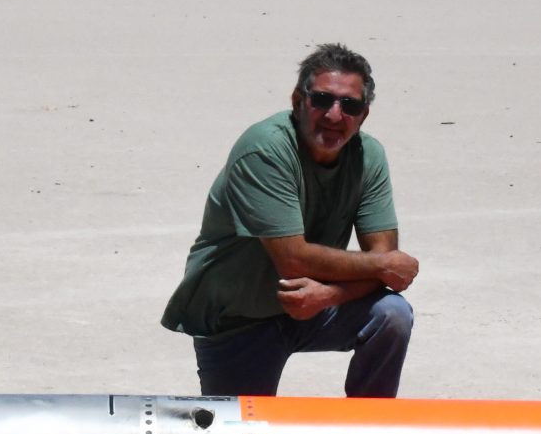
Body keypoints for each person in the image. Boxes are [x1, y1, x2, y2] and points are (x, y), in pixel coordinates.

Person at [161, 43, 418, 397]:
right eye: (323, 100)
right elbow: (294, 260)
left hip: (314, 302)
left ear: (363, 115)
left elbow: (384, 266)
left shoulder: (368, 156)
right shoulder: (264, 150)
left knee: (392, 315)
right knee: (244, 430)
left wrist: (330, 295)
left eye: (350, 106)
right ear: (298, 101)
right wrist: (383, 265)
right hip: (239, 318)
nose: (335, 115)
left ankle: (369, 424)